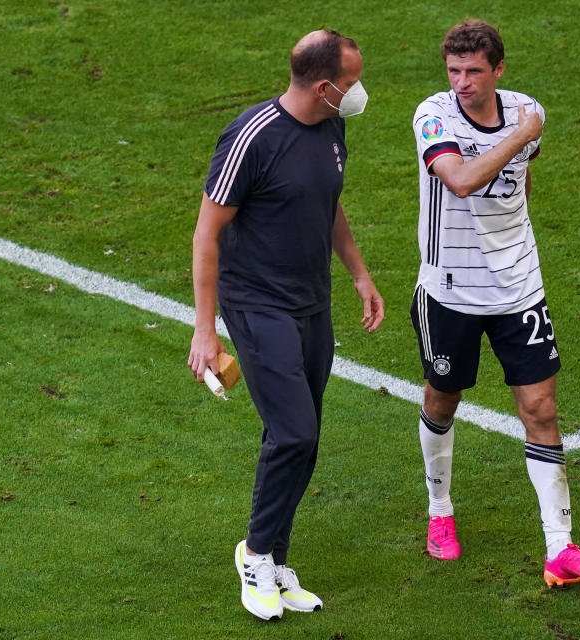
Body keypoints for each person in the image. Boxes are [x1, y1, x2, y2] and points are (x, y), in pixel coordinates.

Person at [409, 20, 580, 587]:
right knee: (442, 400)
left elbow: (520, 184)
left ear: (498, 69)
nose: (462, 82)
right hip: (449, 292)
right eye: (453, 70)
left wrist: (511, 240)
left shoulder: (527, 111)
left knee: (542, 410)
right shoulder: (435, 115)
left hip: (519, 287)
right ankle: (441, 512)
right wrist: (520, 136)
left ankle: (561, 547)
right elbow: (462, 181)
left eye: (474, 71)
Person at [188, 29, 384, 620]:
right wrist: (205, 329)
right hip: (256, 305)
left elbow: (327, 201)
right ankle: (254, 553)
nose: (357, 94)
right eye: (350, 84)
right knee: (294, 432)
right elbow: (206, 234)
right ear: (323, 87)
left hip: (312, 303)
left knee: (305, 438)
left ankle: (275, 558)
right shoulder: (252, 137)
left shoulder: (332, 126)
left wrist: (358, 272)